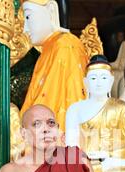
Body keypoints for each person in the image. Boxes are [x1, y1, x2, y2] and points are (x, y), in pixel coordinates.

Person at [19, 0, 88, 131]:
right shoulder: (46, 50)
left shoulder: (65, 46)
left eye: (28, 17)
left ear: (51, 11)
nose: (25, 29)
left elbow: (60, 104)